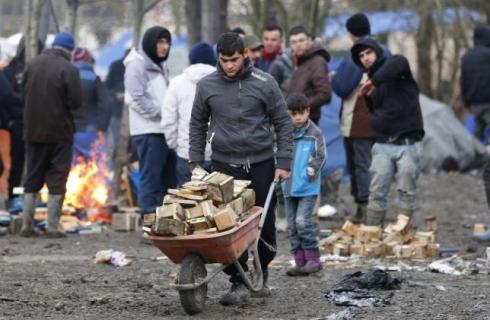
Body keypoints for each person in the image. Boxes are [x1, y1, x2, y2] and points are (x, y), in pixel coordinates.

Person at [189, 32, 293, 305]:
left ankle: (263, 270)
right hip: (224, 166)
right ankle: (238, 282)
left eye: (234, 59)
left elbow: (283, 121)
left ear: (245, 54)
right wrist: (196, 161)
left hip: (261, 163)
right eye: (224, 60)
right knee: (228, 226)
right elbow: (197, 124)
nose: (230, 66)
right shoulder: (207, 85)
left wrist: (284, 161)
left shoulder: (265, 82)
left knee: (264, 224)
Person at [351, 37, 424, 226]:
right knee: (376, 191)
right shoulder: (367, 85)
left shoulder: (397, 68)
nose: (365, 58)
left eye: (369, 53)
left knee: (406, 191)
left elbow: (400, 61)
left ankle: (402, 231)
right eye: (361, 55)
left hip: (407, 142)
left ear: (378, 52)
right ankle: (373, 232)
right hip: (382, 144)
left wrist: (374, 81)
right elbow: (373, 110)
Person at [20, 32, 82, 238]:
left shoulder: (32, 64)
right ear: (70, 50)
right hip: (59, 132)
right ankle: (52, 227)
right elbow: (75, 101)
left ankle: (26, 226)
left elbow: (23, 92)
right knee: (57, 177)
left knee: (32, 176)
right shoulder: (69, 68)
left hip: (32, 130)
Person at [124, 26, 177, 218]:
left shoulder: (159, 64)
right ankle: (149, 221)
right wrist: (164, 114)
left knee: (169, 178)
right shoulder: (136, 65)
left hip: (163, 130)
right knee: (151, 178)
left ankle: (165, 221)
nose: (164, 47)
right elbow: (135, 98)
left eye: (167, 42)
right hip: (148, 131)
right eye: (160, 42)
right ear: (150, 42)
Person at [331, 13, 377, 223]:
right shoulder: (382, 50)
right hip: (379, 120)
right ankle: (372, 206)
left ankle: (364, 208)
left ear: (351, 33)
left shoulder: (355, 54)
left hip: (358, 121)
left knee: (360, 165)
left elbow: (342, 86)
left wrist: (333, 79)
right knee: (372, 164)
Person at [282, 93, 326, 276]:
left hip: (308, 186)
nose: (298, 117)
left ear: (308, 111)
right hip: (289, 186)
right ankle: (299, 261)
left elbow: (322, 155)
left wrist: (312, 169)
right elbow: (279, 153)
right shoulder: (285, 133)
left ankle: (313, 258)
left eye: (301, 113)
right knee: (291, 225)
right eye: (294, 114)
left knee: (302, 222)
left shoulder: (315, 133)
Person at [161, 42, 216, 185]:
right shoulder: (222, 83)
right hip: (218, 153)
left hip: (187, 154)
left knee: (188, 203)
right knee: (219, 204)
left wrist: (178, 146)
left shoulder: (177, 83)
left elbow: (168, 120)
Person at [71, 47, 112, 162]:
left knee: (72, 169)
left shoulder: (66, 77)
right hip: (90, 131)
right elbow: (106, 105)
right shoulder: (94, 78)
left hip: (68, 132)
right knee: (95, 167)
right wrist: (102, 128)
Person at [287, 26, 331, 124]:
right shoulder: (299, 61)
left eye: (301, 40)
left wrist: (300, 108)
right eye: (293, 42)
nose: (298, 45)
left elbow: (325, 94)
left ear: (309, 40)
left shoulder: (317, 62)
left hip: (308, 123)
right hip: (294, 122)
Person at [460, 24, 490, 142]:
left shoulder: (466, 57)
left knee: (477, 135)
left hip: (474, 104)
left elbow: (463, 82)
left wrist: (467, 102)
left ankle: (480, 158)